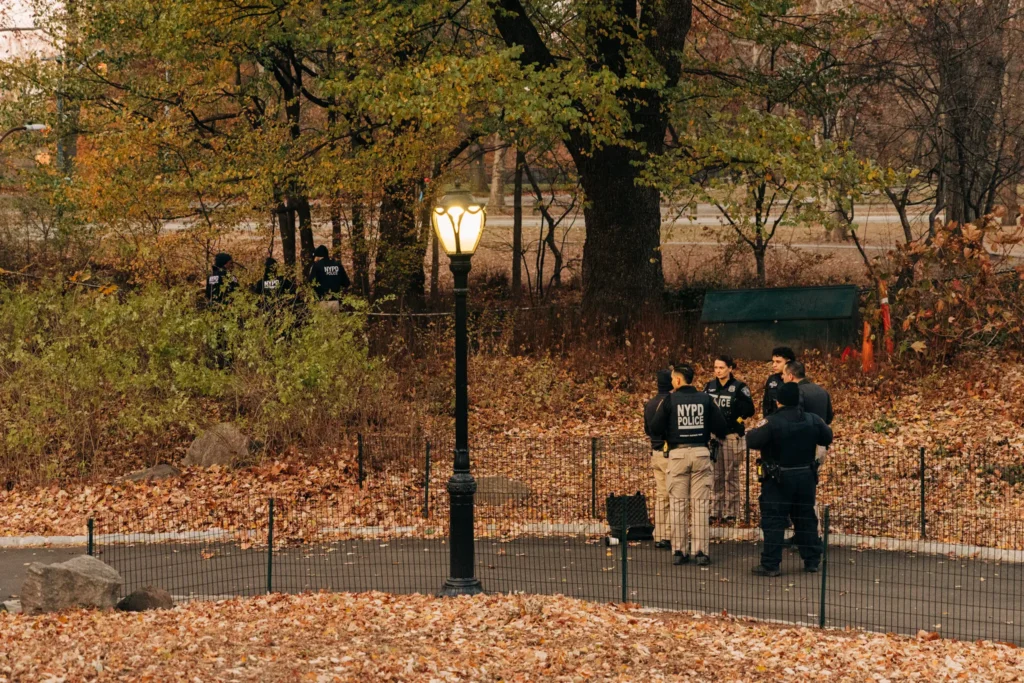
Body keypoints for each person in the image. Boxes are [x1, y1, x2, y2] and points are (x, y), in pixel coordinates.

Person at [745, 382, 833, 576]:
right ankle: (812, 560)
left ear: (778, 401)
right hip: (805, 476)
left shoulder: (772, 421)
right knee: (805, 517)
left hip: (779, 478)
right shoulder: (812, 419)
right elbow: (827, 437)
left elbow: (752, 440)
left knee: (774, 519)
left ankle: (771, 563)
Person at [653, 363, 728, 566]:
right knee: (700, 505)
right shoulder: (706, 399)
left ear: (677, 380)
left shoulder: (670, 400)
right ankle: (701, 551)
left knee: (678, 504)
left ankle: (679, 550)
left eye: (672, 380)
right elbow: (721, 426)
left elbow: (655, 427)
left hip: (677, 455)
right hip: (701, 453)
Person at [704, 355, 755, 524]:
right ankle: (715, 511)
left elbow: (749, 409)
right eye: (716, 367)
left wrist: (737, 421)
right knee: (716, 475)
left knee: (731, 476)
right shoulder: (710, 387)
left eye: (722, 367)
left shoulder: (739, 387)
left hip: (732, 436)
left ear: (730, 368)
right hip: (714, 437)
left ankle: (731, 513)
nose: (718, 371)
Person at [643, 369, 675, 549]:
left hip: (655, 452)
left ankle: (659, 534)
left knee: (661, 495)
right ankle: (670, 535)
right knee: (674, 495)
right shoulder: (670, 403)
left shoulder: (649, 403)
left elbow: (648, 429)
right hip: (670, 452)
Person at [763, 347, 796, 417]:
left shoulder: (796, 379)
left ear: (788, 362)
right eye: (773, 362)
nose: (774, 365)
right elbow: (766, 405)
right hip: (773, 422)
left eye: (778, 362)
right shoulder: (772, 379)